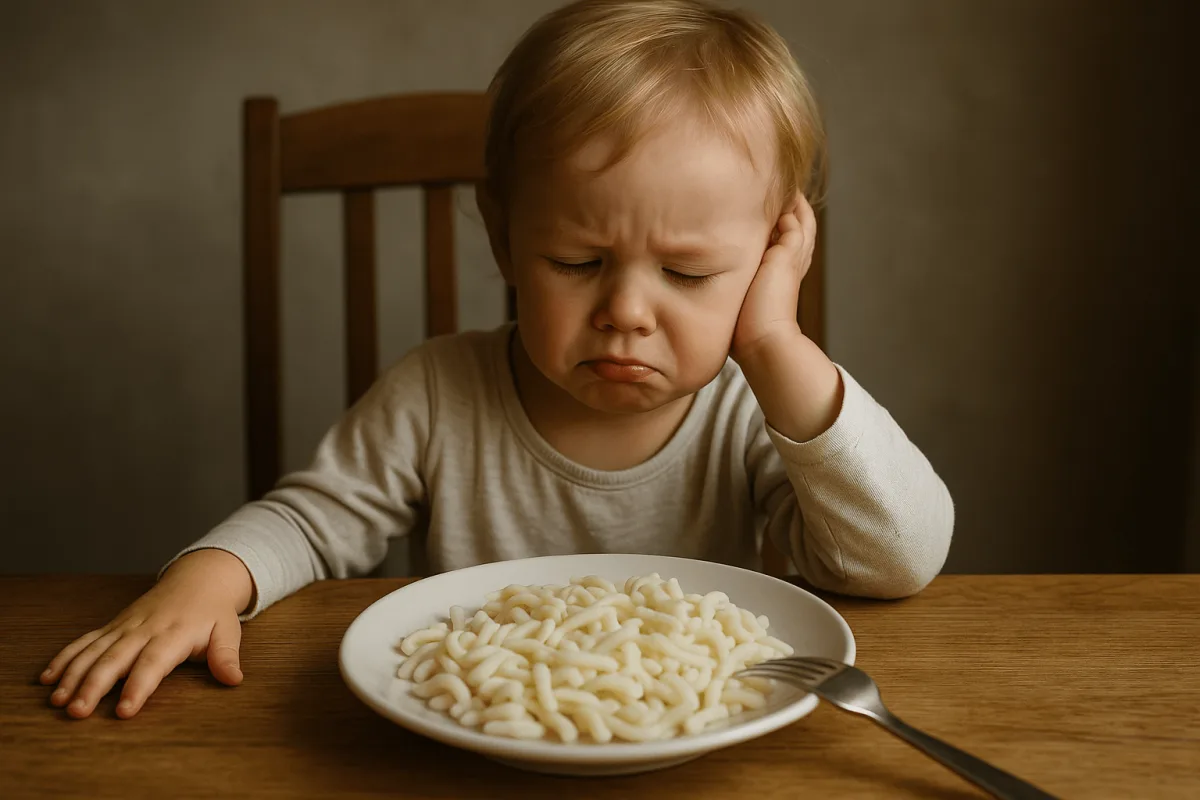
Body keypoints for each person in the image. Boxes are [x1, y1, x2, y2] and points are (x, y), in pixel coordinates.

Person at [41, 0, 954, 720]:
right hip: (466, 731)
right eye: (577, 263)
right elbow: (313, 525)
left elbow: (895, 560)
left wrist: (772, 342)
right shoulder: (437, 392)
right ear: (507, 238)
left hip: (692, 741)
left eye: (688, 272)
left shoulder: (748, 411)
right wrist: (202, 578)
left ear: (765, 262)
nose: (627, 312)